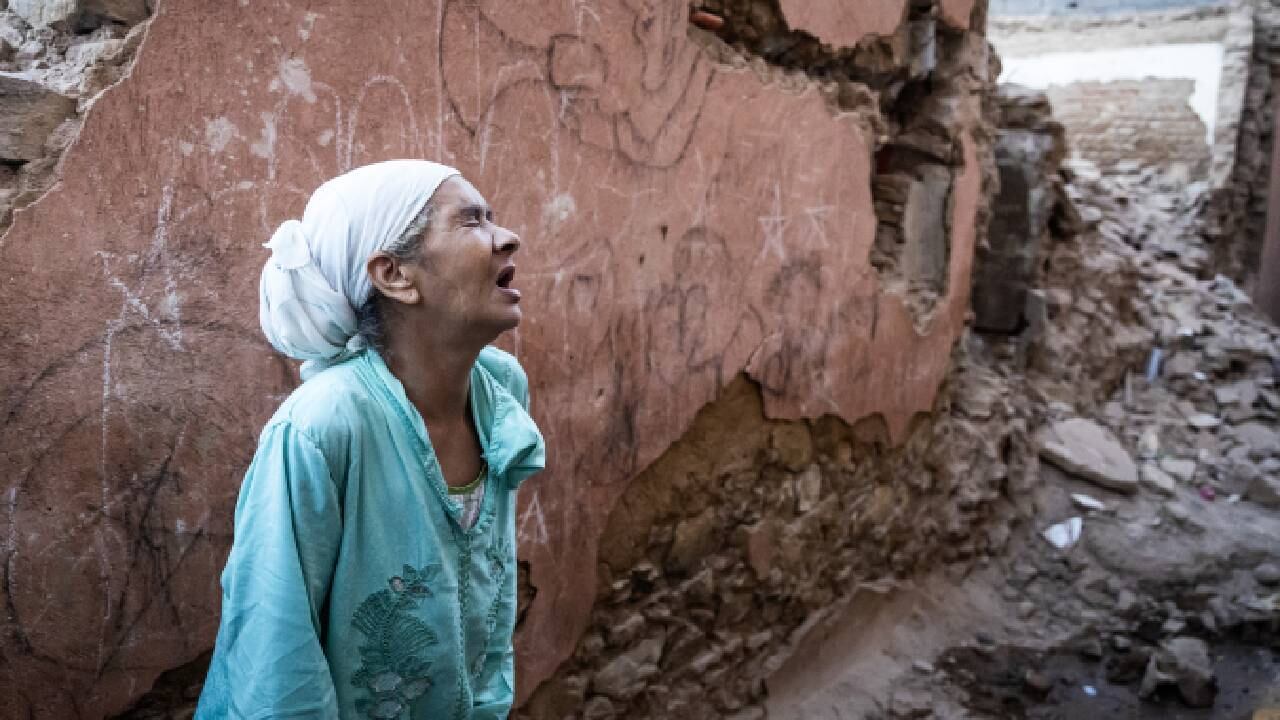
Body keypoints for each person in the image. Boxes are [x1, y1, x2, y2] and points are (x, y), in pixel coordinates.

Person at [195, 160, 545, 720]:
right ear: (395, 275)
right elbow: (275, 652)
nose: (508, 237)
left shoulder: (498, 389)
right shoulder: (321, 425)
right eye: (472, 220)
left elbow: (486, 597)